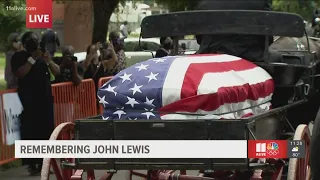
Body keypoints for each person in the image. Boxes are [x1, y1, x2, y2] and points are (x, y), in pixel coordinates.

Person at [11, 31, 60, 175]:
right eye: (32, 41)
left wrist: (48, 61)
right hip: (29, 102)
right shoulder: (19, 57)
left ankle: (45, 163)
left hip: (44, 101)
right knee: (30, 132)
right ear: (25, 43)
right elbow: (20, 73)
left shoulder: (43, 56)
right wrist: (32, 59)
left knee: (46, 132)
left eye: (36, 41)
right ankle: (32, 164)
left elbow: (57, 72)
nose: (35, 44)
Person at [195, 0, 273, 62]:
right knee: (277, 57)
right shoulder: (260, 2)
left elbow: (200, 39)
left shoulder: (204, 3)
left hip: (210, 55)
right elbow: (267, 38)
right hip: (252, 57)